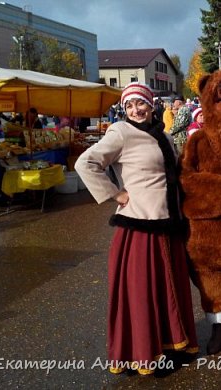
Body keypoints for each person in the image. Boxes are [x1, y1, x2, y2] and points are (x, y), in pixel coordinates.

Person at [74, 82, 198, 375]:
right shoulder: (120, 132)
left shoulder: (166, 137)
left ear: (151, 105)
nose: (135, 110)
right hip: (140, 226)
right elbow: (86, 162)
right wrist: (115, 194)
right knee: (143, 293)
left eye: (140, 104)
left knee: (168, 290)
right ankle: (143, 352)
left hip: (169, 223)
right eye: (129, 106)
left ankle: (171, 345)